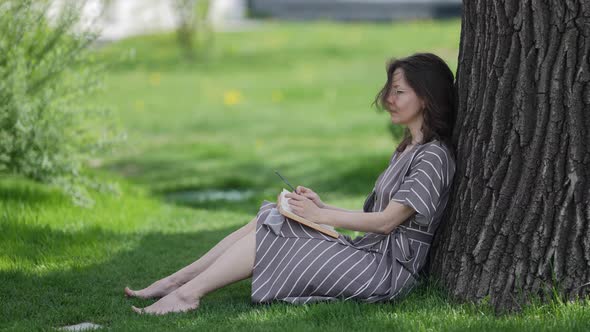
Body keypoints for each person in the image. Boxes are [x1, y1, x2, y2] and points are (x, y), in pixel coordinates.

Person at [125, 52, 457, 315]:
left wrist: (320, 216)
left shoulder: (432, 158)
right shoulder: (407, 149)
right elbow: (381, 216)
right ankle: (178, 281)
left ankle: (186, 295)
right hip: (368, 252)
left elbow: (386, 223)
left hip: (387, 271)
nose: (388, 99)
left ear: (426, 97)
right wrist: (320, 207)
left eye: (399, 92)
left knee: (274, 230)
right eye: (390, 90)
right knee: (271, 214)